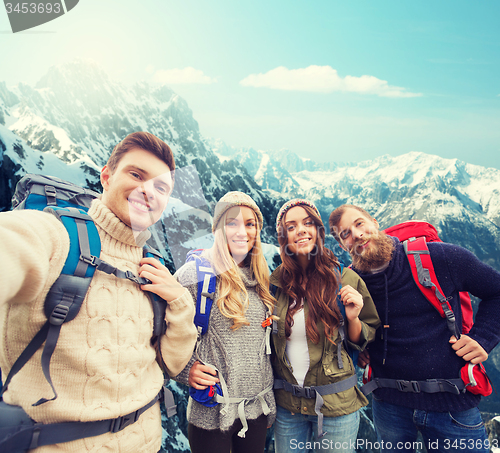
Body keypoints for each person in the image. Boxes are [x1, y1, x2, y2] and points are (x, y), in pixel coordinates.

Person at [0, 131, 198, 452]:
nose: (148, 190)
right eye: (136, 174)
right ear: (106, 176)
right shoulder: (55, 234)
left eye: (161, 187)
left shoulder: (153, 264)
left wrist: (178, 300)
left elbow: (173, 364)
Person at [329, 204, 500, 453]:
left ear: (374, 222)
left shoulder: (440, 258)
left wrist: (483, 339)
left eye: (359, 224)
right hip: (388, 405)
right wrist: (362, 348)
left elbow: (496, 290)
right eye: (345, 234)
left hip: (451, 403)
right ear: (343, 245)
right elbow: (350, 329)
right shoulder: (351, 283)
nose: (356, 235)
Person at [271, 199, 380, 453]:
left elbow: (366, 336)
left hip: (336, 406)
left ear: (319, 231)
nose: (301, 230)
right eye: (291, 226)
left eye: (308, 223)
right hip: (288, 407)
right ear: (283, 237)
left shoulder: (345, 278)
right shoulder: (275, 285)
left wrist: (352, 318)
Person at [173, 191, 276, 453]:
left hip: (255, 412)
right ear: (218, 228)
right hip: (211, 414)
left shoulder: (263, 280)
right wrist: (185, 371)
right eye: (232, 223)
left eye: (250, 223)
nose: (242, 231)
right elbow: (160, 333)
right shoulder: (195, 275)